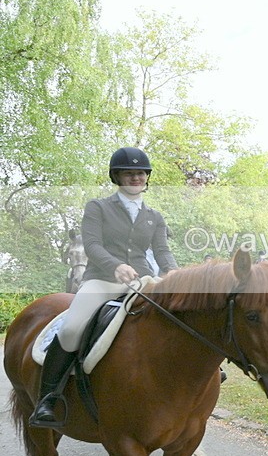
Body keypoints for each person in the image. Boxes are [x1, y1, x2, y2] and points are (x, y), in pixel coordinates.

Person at [30, 147, 179, 428]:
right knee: (73, 327)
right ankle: (47, 399)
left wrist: (174, 273)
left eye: (140, 173)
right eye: (128, 173)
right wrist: (115, 266)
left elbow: (162, 251)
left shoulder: (155, 217)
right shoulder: (98, 207)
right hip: (102, 279)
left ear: (147, 177)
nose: (135, 177)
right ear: (117, 176)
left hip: (143, 281)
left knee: (178, 317)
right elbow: (93, 245)